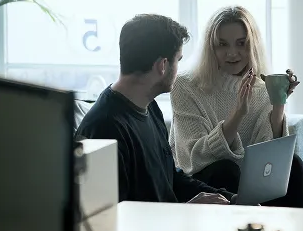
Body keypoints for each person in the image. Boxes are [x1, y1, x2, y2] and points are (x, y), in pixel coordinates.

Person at [75, 14, 235, 205]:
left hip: (169, 220)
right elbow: (115, 216)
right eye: (178, 60)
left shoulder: (149, 106)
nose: (178, 68)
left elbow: (170, 179)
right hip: (155, 225)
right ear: (162, 65)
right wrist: (186, 212)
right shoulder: (105, 128)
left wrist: (231, 199)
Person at [169, 6, 303, 207]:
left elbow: (269, 156)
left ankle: (293, 227)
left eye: (241, 44)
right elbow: (194, 158)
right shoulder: (185, 85)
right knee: (226, 169)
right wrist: (237, 114)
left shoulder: (261, 88)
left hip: (249, 182)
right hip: (204, 182)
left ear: (253, 45)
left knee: (294, 166)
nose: (232, 53)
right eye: (222, 45)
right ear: (211, 48)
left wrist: (278, 103)